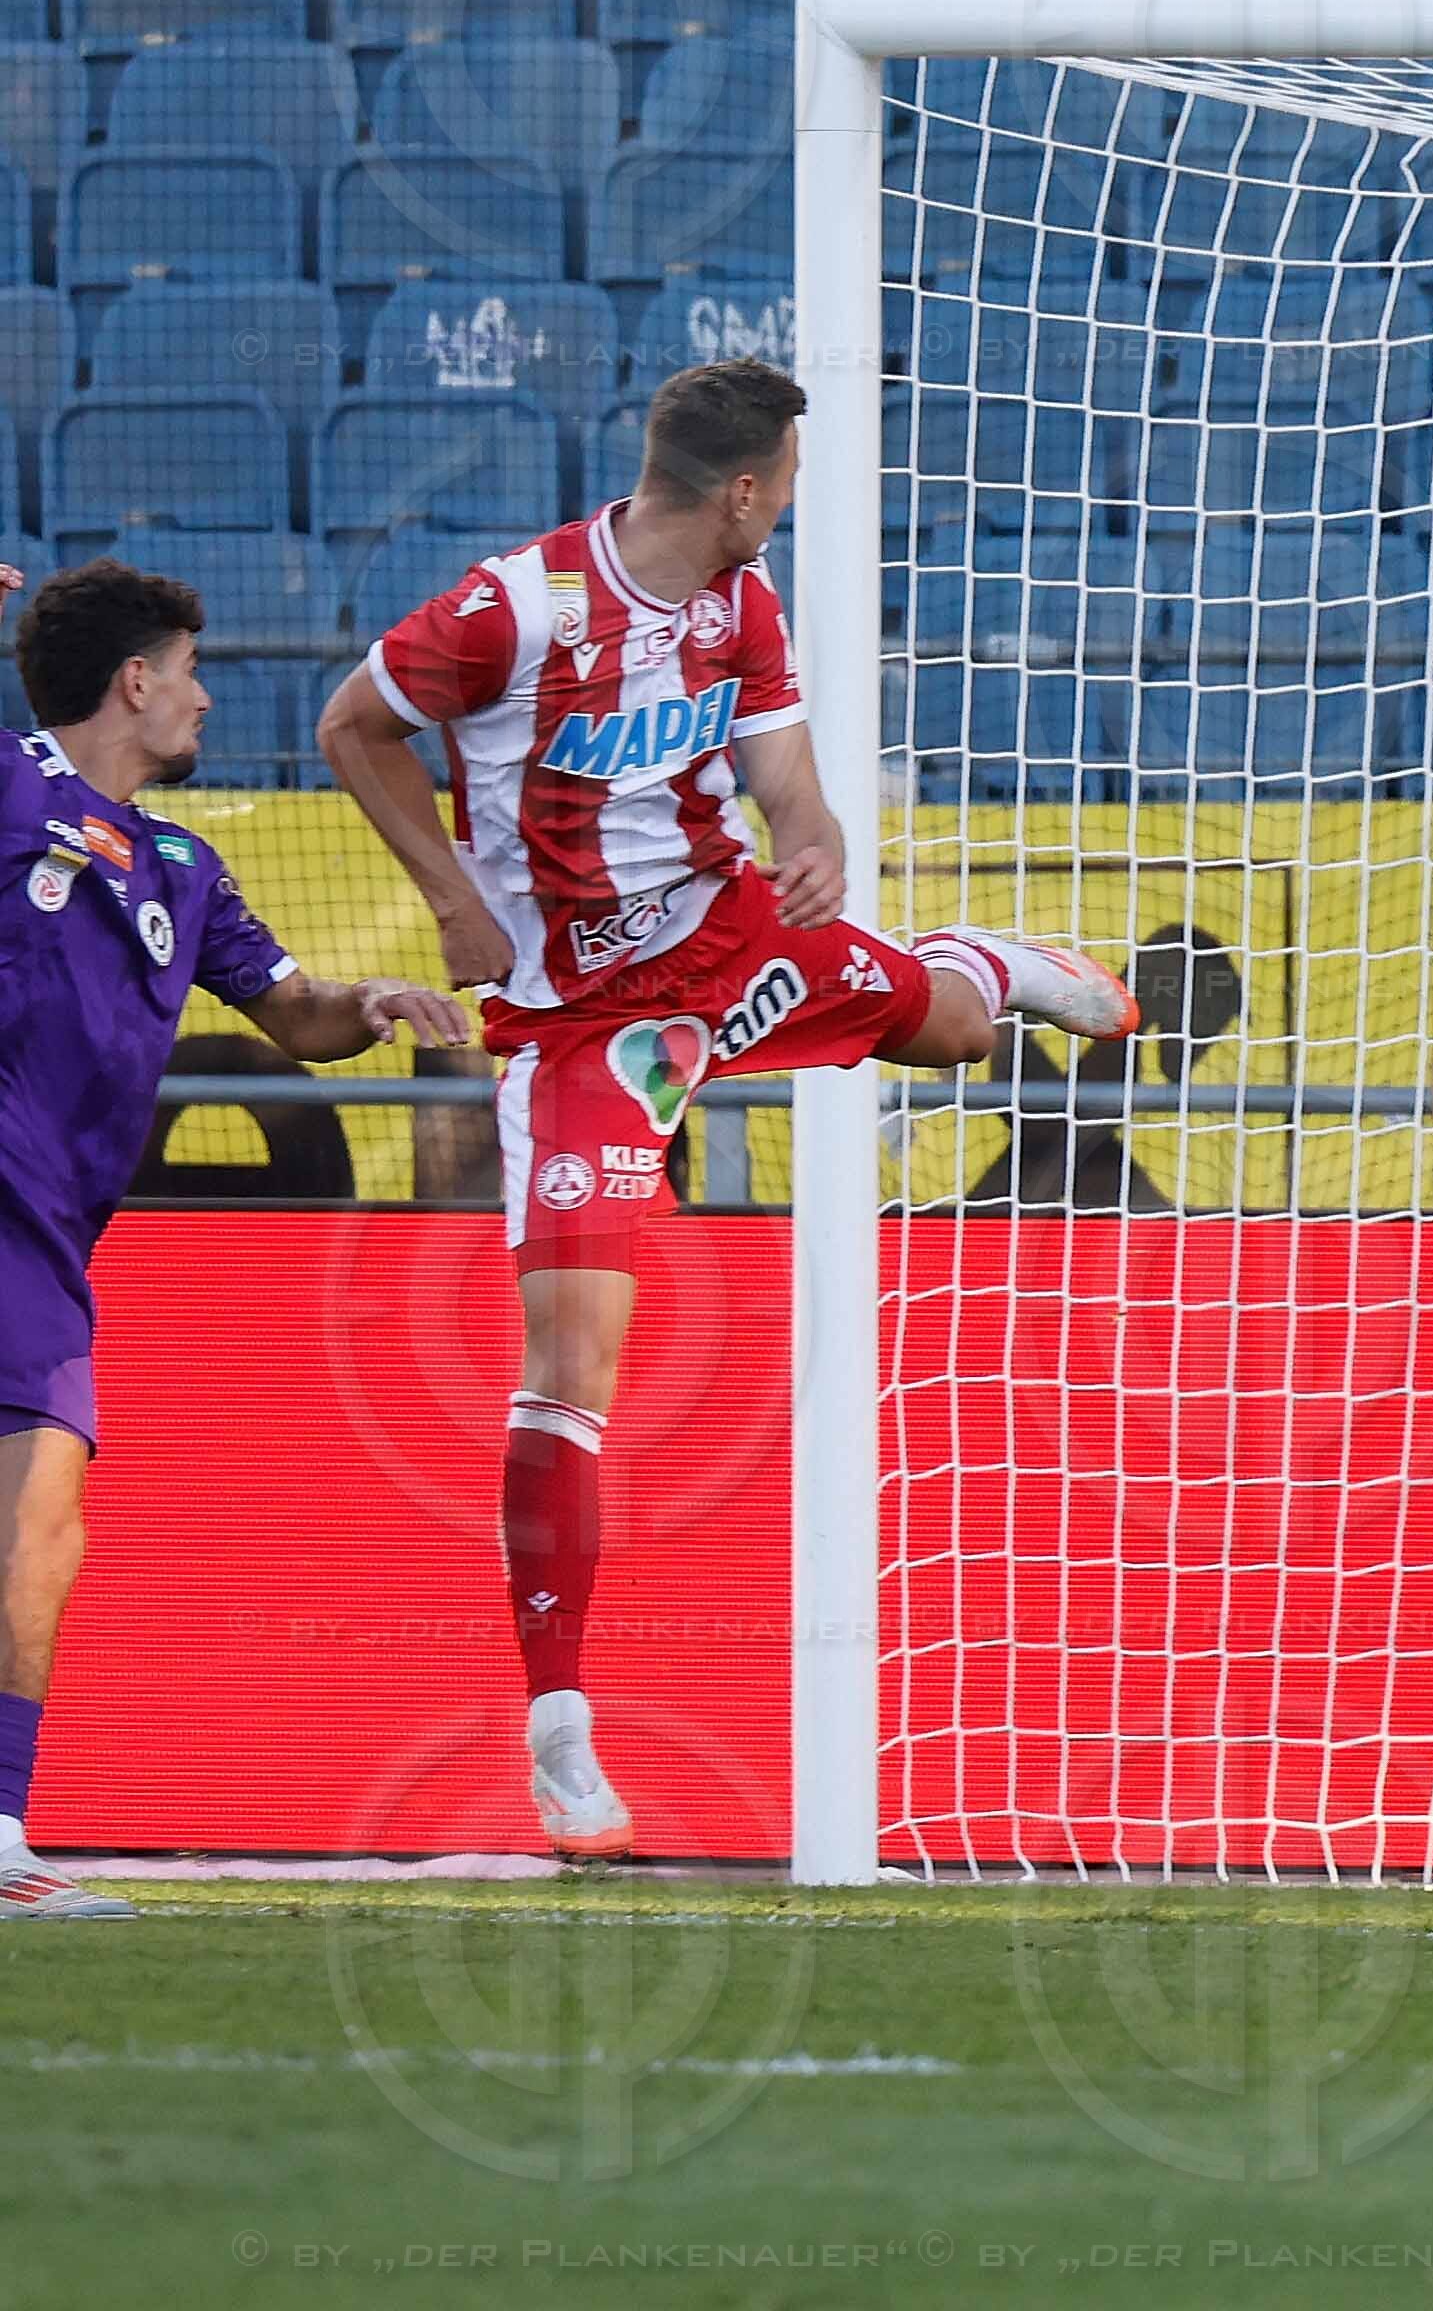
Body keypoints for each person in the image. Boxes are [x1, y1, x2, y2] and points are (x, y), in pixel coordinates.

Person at [315, 359, 1133, 1859]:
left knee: (951, 1032)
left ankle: (989, 963)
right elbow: (348, 726)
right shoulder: (521, 608)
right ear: (747, 488)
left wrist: (810, 835)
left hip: (729, 944)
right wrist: (448, 900)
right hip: (583, 1033)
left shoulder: (744, 609)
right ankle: (561, 1734)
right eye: (791, 484)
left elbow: (786, 777)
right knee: (570, 1366)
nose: (792, 505)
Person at [4, 562, 467, 1917]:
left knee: (39, 1527)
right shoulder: (13, 788)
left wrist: (371, 998)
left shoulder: (183, 868)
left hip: (52, 1238)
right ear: (135, 680)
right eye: (192, 670)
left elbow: (293, 1016)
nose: (209, 695)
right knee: (39, 1520)